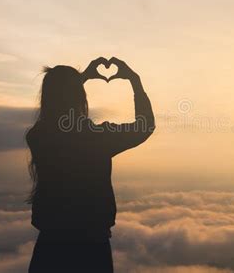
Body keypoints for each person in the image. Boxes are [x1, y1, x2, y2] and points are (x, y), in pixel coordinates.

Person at [26, 57, 155, 272]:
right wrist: (134, 80)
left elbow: (57, 116)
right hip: (92, 249)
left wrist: (80, 80)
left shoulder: (39, 136)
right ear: (79, 97)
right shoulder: (96, 138)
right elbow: (145, 126)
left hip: (50, 248)